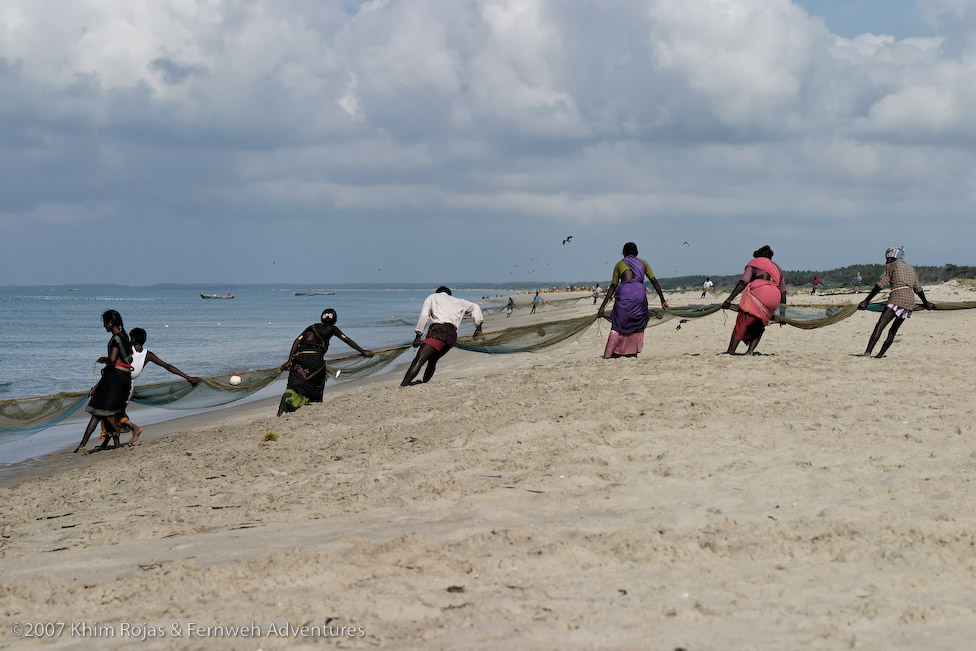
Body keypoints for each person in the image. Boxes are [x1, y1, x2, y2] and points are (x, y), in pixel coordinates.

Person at [278, 309, 373, 416]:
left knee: (293, 384)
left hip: (299, 358)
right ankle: (315, 404)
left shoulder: (311, 327)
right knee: (317, 383)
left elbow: (297, 341)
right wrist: (363, 351)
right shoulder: (332, 328)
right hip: (315, 359)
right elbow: (346, 339)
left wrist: (289, 360)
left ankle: (279, 413)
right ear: (335, 319)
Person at [116, 327, 200, 443]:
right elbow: (168, 366)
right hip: (129, 387)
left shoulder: (129, 349)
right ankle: (118, 438)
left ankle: (133, 429)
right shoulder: (148, 354)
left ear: (134, 339)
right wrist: (188, 377)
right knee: (118, 413)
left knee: (113, 412)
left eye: (131, 338)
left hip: (122, 385)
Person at [73, 310, 134, 453]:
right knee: (112, 412)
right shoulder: (124, 335)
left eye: (105, 323)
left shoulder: (115, 339)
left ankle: (81, 446)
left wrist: (104, 360)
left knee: (98, 412)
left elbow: (112, 360)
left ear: (110, 323)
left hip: (115, 379)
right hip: (125, 379)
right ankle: (117, 444)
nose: (104, 326)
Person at [857, 247, 934, 358]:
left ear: (892, 258)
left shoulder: (891, 266)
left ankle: (867, 353)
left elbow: (880, 284)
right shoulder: (912, 268)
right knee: (893, 330)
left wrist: (866, 301)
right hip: (909, 301)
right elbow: (918, 289)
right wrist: (926, 303)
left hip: (897, 298)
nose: (886, 261)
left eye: (887, 259)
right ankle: (880, 355)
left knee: (880, 326)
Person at [597, 242, 669, 358]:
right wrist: (662, 300)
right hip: (639, 295)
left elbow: (613, 286)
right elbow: (654, 281)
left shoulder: (619, 264)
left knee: (618, 322)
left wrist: (602, 306)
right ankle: (632, 352)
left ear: (624, 253)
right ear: (636, 252)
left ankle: (611, 353)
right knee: (637, 321)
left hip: (624, 295)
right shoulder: (643, 263)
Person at [401, 286, 483, 386]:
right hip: (452, 336)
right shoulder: (460, 301)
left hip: (438, 332)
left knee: (419, 359)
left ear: (437, 292)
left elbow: (424, 316)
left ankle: (404, 384)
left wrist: (418, 335)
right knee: (432, 360)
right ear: (449, 294)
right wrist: (478, 328)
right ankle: (424, 382)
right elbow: (476, 307)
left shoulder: (432, 297)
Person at [721, 245, 787, 355]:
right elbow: (783, 292)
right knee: (759, 324)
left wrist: (729, 300)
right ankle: (750, 351)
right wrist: (783, 315)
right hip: (774, 297)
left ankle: (730, 352)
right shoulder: (777, 268)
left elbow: (743, 282)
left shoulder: (754, 263)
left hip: (760, 294)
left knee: (742, 322)